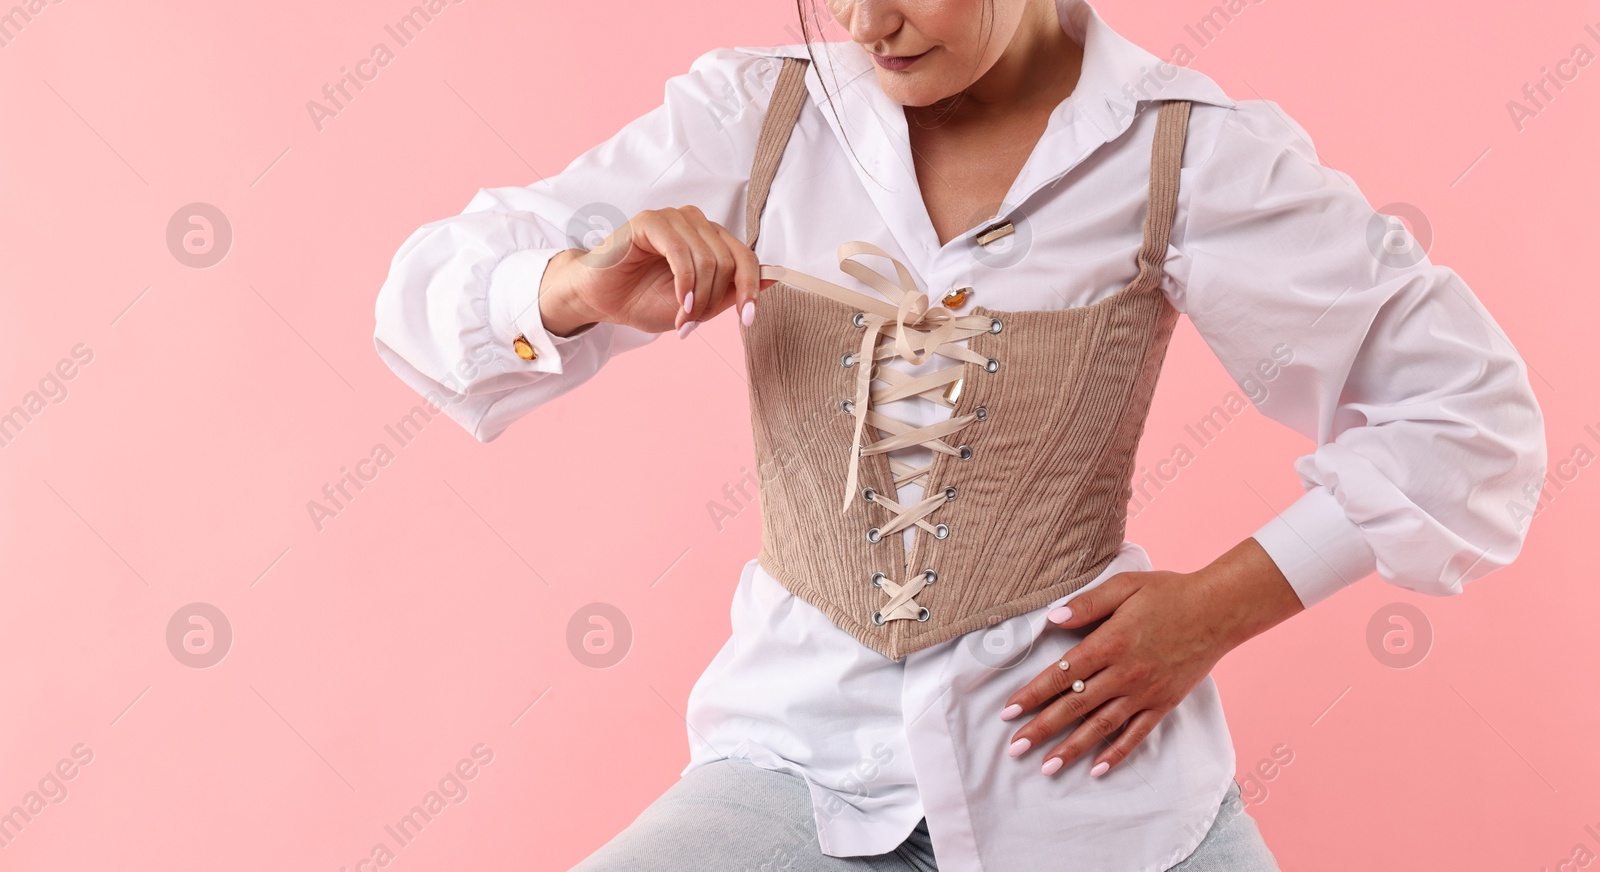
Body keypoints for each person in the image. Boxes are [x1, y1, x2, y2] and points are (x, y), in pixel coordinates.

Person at [371, 0, 1547, 869]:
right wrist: (574, 286)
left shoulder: (1186, 153)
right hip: (795, 755)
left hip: (1094, 780)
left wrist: (1219, 605)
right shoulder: (762, 115)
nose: (866, 22)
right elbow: (424, 291)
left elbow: (1467, 414)